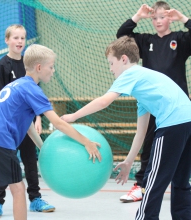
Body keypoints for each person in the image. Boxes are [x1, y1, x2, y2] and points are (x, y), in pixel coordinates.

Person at [0, 44, 102, 220]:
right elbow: (58, 123)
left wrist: (43, 148)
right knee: (18, 189)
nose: (53, 71)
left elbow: (27, 125)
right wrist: (86, 141)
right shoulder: (33, 89)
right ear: (39, 67)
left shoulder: (16, 85)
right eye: (51, 66)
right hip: (0, 140)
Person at [61, 36, 191, 219]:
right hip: (188, 122)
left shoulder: (131, 73)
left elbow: (104, 101)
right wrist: (129, 161)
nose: (110, 69)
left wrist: (73, 116)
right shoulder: (146, 87)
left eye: (111, 63)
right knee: (181, 180)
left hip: (173, 124)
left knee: (153, 182)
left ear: (123, 59)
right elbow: (141, 132)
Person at [116, 1, 191, 202]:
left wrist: (183, 18)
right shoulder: (144, 40)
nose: (158, 21)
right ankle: (141, 185)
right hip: (152, 104)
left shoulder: (180, 39)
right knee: (149, 143)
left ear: (170, 18)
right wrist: (137, 16)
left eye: (163, 17)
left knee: (184, 146)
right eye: (155, 17)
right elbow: (121, 36)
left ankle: (183, 185)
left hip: (178, 107)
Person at [0, 24, 55, 219]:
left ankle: (35, 198)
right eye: (15, 38)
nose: (19, 41)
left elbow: (35, 97)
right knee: (4, 163)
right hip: (9, 128)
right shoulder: (1, 67)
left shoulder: (30, 64)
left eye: (22, 38)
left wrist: (37, 118)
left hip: (27, 124)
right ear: (7, 40)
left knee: (30, 161)